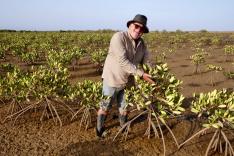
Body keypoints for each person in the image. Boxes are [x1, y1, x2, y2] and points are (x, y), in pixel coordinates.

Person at [96, 14, 155, 138]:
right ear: (130, 26)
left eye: (142, 29)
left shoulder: (142, 44)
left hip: (128, 81)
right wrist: (141, 74)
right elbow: (122, 61)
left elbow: (146, 61)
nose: (138, 30)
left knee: (125, 106)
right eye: (136, 26)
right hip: (112, 78)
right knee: (105, 106)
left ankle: (123, 127)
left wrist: (155, 74)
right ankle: (99, 131)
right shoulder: (119, 37)